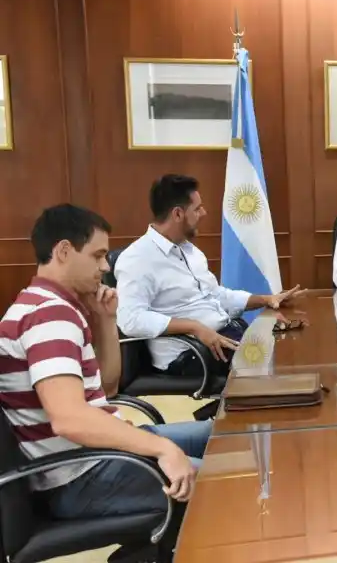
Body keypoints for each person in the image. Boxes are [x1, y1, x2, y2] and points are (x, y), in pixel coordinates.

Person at [0, 204, 211, 560]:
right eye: (98, 255)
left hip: (101, 455)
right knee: (224, 483)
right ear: (64, 251)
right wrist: (162, 450)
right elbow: (70, 418)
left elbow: (109, 388)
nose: (106, 266)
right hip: (80, 477)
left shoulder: (50, 306)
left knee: (222, 433)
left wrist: (106, 321)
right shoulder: (48, 316)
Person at [115, 174, 306, 375]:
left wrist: (267, 299)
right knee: (278, 364)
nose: (204, 213)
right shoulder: (137, 259)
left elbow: (216, 295)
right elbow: (130, 319)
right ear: (178, 214)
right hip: (191, 353)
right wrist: (192, 327)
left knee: (291, 343)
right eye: (197, 209)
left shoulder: (191, 252)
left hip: (225, 333)